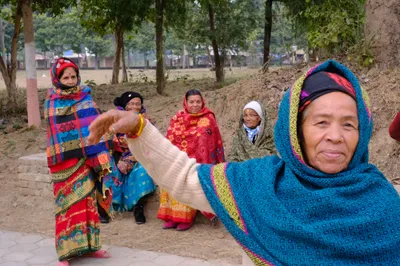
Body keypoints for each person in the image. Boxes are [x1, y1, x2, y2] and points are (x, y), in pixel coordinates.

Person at [88, 60, 400, 265]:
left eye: (349, 124)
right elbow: (184, 176)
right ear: (295, 130)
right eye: (321, 122)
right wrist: (139, 129)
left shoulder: (383, 202)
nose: (336, 136)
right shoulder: (258, 185)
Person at [44, 57, 113, 266]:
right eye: (66, 77)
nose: (71, 80)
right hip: (66, 163)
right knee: (67, 206)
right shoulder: (52, 102)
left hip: (88, 159)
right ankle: (65, 254)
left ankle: (92, 247)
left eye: (74, 76)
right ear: (57, 79)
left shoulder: (86, 98)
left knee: (88, 203)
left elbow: (95, 124)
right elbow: (56, 132)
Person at [158, 89, 225, 231]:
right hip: (178, 158)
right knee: (171, 175)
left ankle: (186, 218)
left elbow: (210, 143)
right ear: (186, 103)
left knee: (187, 178)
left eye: (198, 102)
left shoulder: (208, 119)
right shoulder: (178, 118)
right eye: (191, 102)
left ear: (202, 102)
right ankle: (172, 216)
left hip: (197, 162)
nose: (195, 105)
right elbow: (170, 139)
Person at [111, 91, 156, 224]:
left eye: (138, 104)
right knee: (109, 172)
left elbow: (151, 144)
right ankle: (107, 209)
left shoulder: (146, 122)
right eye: (131, 104)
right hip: (119, 158)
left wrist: (132, 158)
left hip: (141, 157)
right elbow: (110, 143)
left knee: (142, 172)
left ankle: (139, 208)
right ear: (125, 106)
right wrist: (120, 159)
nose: (135, 107)